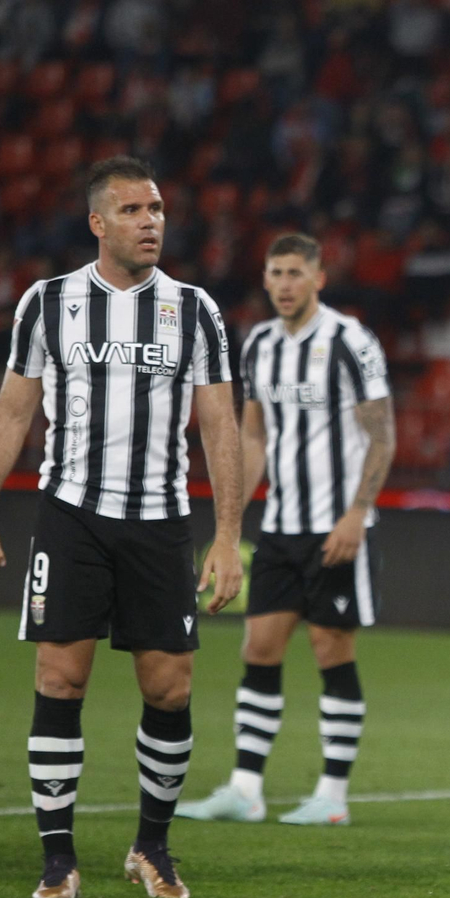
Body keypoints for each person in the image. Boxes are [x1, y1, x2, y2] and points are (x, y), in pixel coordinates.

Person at [0, 155, 244, 898]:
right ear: (97, 222)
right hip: (72, 516)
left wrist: (226, 536)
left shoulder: (196, 310)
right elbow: (13, 411)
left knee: (170, 690)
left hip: (160, 521)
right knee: (60, 678)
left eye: (157, 209)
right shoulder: (48, 302)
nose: (151, 223)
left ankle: (152, 847)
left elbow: (220, 426)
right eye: (132, 211)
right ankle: (58, 858)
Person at [177, 233, 394, 828]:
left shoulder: (350, 341)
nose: (285, 284)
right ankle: (245, 790)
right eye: (276, 273)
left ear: (319, 278)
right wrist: (230, 526)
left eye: (296, 272)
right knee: (259, 648)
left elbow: (382, 434)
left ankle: (333, 795)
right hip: (280, 528)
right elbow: (254, 437)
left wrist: (356, 514)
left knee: (331, 650)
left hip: (336, 528)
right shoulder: (260, 344)